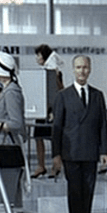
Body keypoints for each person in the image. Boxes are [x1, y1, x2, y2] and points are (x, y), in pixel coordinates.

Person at [51, 54, 107, 213]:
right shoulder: (63, 96)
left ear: (89, 69)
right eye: (78, 67)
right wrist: (56, 154)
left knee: (89, 192)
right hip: (71, 153)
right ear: (73, 69)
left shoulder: (97, 95)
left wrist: (104, 151)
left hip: (90, 153)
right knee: (75, 191)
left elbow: (102, 125)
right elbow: (57, 127)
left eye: (85, 67)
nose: (82, 71)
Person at [32, 44, 66, 178]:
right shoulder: (41, 73)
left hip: (53, 109)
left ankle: (55, 165)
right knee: (38, 137)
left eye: (38, 55)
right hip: (41, 108)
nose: (37, 58)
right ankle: (41, 166)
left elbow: (60, 90)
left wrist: (56, 76)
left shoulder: (56, 72)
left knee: (54, 139)